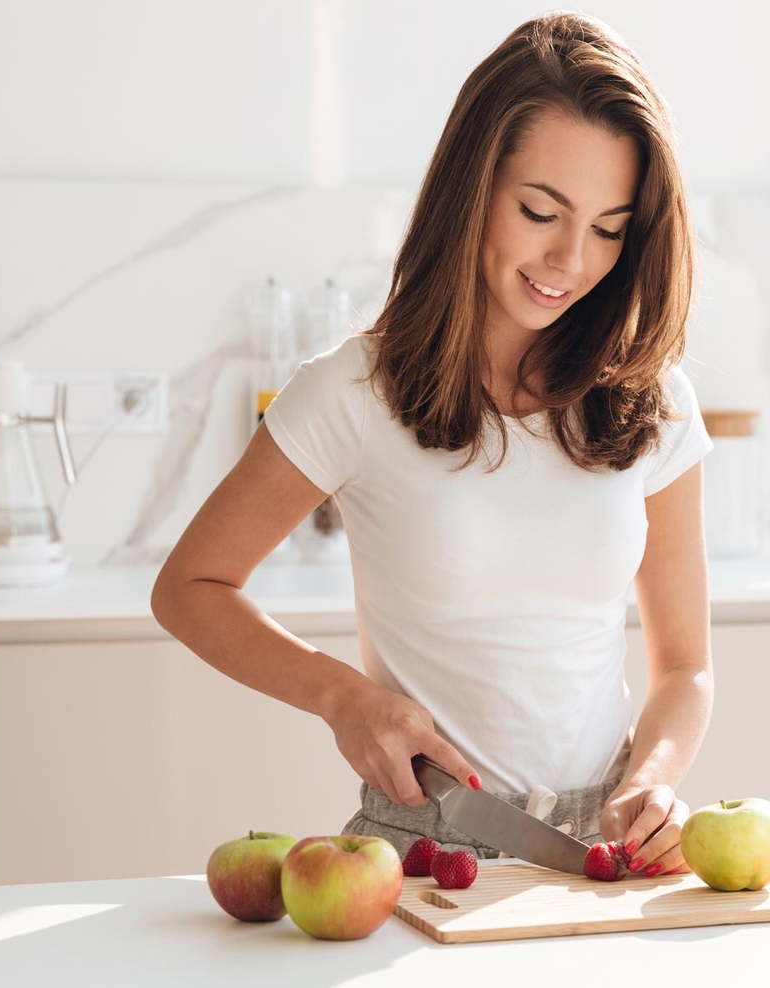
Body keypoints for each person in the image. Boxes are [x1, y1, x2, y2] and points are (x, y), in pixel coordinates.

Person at [151, 11, 713, 879]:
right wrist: (342, 698)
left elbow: (685, 668)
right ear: (472, 189)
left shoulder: (652, 401)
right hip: (421, 853)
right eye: (540, 210)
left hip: (603, 859)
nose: (572, 259)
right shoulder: (353, 389)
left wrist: (656, 786)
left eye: (609, 228)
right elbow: (190, 589)